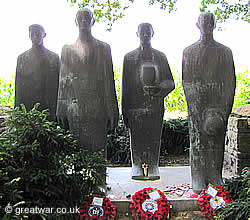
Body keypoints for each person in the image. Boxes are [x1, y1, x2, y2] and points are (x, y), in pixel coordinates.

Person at [182, 12, 236, 193]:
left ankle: (215, 175)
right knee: (197, 141)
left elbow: (230, 82)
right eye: (203, 22)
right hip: (197, 104)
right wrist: (194, 105)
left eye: (209, 22)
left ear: (214, 25)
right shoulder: (189, 52)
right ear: (197, 25)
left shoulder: (225, 52)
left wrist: (224, 108)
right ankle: (198, 176)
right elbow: (187, 81)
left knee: (216, 141)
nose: (206, 26)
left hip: (217, 105)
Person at [57, 8, 119, 153]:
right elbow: (63, 80)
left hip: (98, 108)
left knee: (98, 151)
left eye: (87, 17)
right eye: (80, 17)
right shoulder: (67, 49)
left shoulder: (104, 48)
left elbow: (109, 81)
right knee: (79, 152)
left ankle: (98, 176)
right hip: (76, 107)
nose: (84, 20)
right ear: (76, 22)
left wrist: (112, 108)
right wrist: (61, 106)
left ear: (93, 21)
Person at [122, 23, 175, 180]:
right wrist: (125, 110)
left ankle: (153, 165)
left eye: (148, 32)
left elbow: (170, 82)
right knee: (137, 138)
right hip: (135, 107)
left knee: (153, 137)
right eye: (142, 32)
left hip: (155, 106)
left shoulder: (160, 56)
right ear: (137, 34)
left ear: (153, 34)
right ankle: (137, 165)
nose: (145, 35)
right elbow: (125, 86)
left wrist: (159, 89)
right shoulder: (129, 57)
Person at [15, 24, 60, 121]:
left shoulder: (54, 58)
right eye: (32, 34)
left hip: (48, 105)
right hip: (27, 106)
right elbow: (18, 87)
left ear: (44, 35)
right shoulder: (22, 58)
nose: (35, 36)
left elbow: (58, 85)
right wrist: (17, 111)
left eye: (38, 33)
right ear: (29, 35)